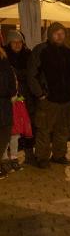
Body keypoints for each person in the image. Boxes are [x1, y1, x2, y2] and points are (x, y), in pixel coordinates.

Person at [28, 22, 70, 168]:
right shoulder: (41, 51)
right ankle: (42, 157)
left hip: (66, 100)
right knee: (44, 130)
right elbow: (32, 74)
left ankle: (59, 155)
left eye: (62, 33)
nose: (59, 36)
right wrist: (40, 94)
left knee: (63, 129)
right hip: (48, 100)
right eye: (56, 33)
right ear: (50, 35)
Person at [4, 30, 34, 163]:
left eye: (19, 42)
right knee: (11, 128)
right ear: (9, 43)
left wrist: (16, 73)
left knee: (28, 125)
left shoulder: (28, 55)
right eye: (14, 42)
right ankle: (8, 157)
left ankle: (29, 154)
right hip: (10, 99)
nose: (17, 45)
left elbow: (31, 74)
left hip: (26, 96)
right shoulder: (4, 56)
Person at [0, 47, 16, 179]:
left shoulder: (4, 62)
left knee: (4, 136)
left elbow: (12, 83)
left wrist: (11, 92)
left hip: (4, 105)